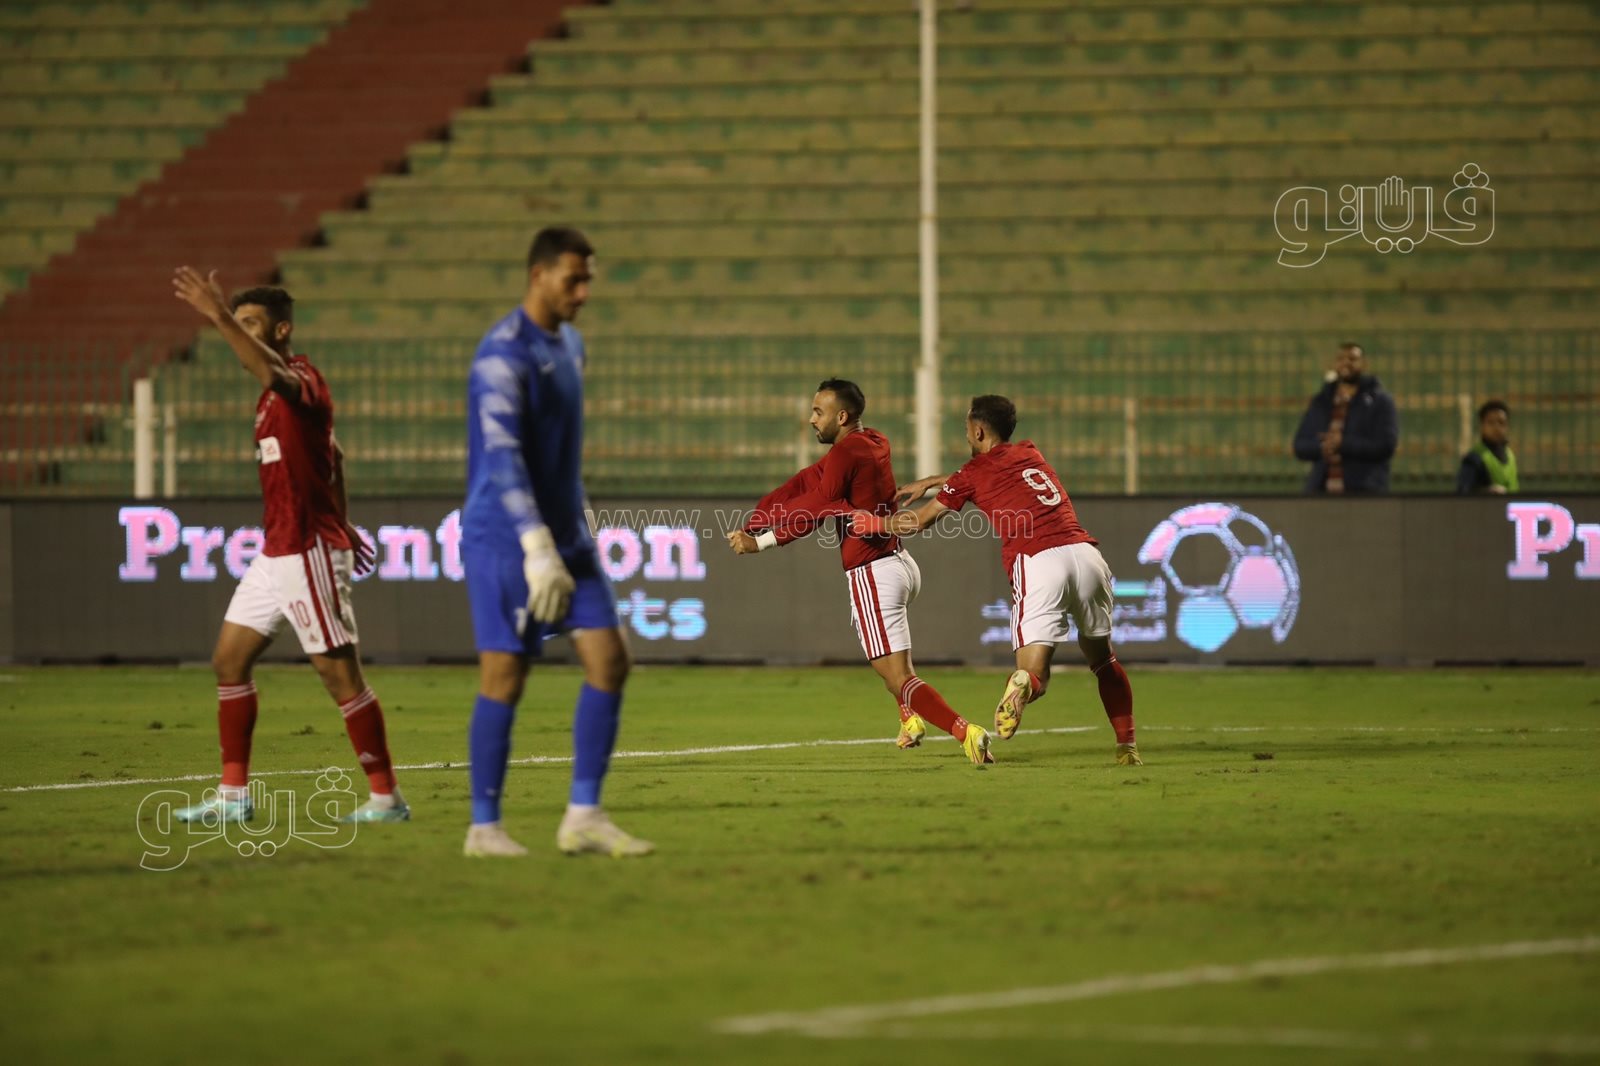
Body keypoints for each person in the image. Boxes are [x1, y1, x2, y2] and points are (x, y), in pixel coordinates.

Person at [170, 271, 407, 824]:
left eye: (251, 324)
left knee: (340, 677)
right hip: (276, 551)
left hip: (308, 550)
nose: (240, 333)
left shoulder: (300, 379)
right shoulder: (268, 401)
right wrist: (342, 520)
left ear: (282, 331)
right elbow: (335, 455)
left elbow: (273, 373)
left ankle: (386, 798)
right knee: (229, 662)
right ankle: (233, 796)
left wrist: (217, 316)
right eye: (237, 323)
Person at [460, 226, 651, 858]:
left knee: (610, 660)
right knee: (505, 676)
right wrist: (536, 545)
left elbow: (558, 450)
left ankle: (583, 817)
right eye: (574, 279)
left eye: (588, 279)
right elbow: (503, 458)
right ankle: (484, 828)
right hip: (505, 539)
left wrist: (575, 519)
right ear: (538, 275)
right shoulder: (500, 356)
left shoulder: (571, 344)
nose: (584, 292)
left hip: (568, 534)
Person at [859, 394, 1141, 766]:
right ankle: (1127, 746)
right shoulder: (1030, 452)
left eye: (966, 429)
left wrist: (873, 523)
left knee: (1033, 674)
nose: (966, 435)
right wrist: (935, 481)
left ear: (978, 430)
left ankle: (1025, 683)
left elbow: (921, 520)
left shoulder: (971, 474)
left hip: (1039, 560)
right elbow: (985, 474)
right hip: (1086, 555)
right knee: (1104, 660)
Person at [726, 379, 994, 767]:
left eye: (818, 412)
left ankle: (966, 732)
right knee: (894, 669)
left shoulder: (845, 454)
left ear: (841, 416)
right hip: (900, 564)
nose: (811, 419)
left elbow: (815, 509)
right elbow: (807, 480)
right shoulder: (872, 441)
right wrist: (758, 517)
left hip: (873, 573)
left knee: (898, 677)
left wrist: (761, 541)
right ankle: (909, 720)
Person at [1292, 342, 1399, 494]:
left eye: (1352, 359)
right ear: (1334, 364)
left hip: (1364, 493)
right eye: (1341, 358)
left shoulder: (1380, 401)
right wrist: (1323, 446)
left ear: (1364, 364)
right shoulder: (1321, 401)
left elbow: (1386, 445)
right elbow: (1299, 445)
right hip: (1321, 494)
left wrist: (1344, 444)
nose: (1346, 363)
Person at [1457, 399, 1519, 495]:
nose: (1496, 427)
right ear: (1481, 426)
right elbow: (1463, 491)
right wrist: (1487, 491)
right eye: (1491, 422)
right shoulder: (1474, 458)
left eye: (1501, 422)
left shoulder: (1510, 455)